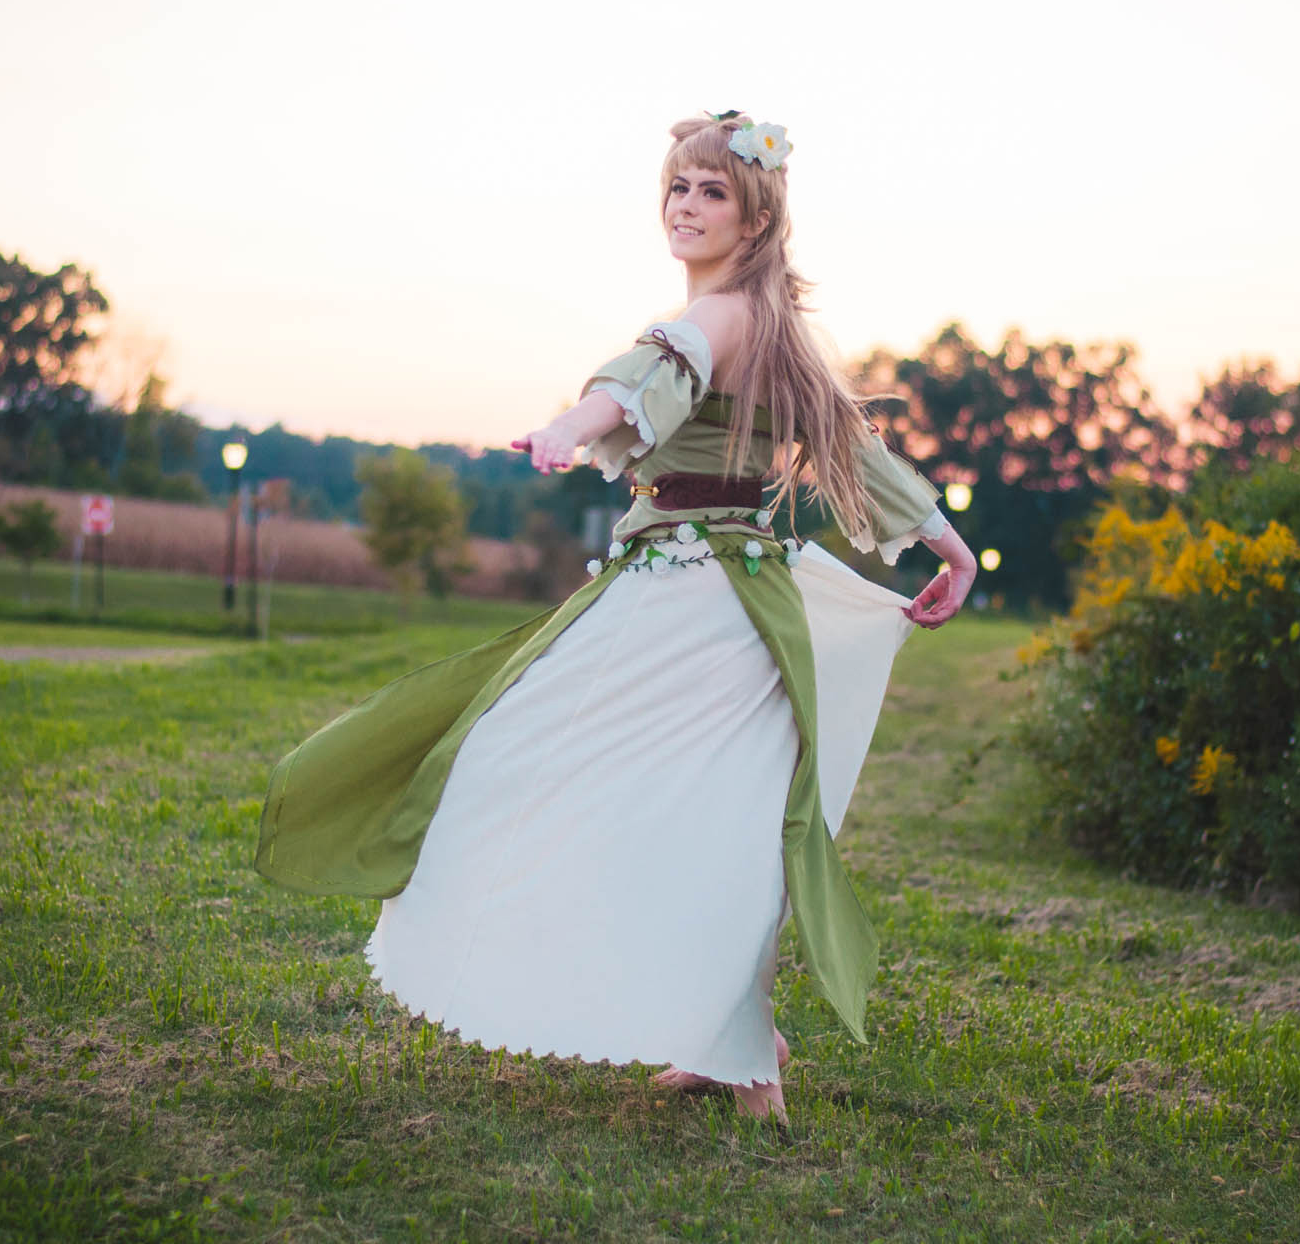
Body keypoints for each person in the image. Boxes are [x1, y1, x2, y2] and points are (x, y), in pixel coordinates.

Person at [254, 112, 977, 1124]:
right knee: (711, 819)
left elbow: (654, 373)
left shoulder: (722, 316)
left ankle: (742, 1053)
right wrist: (951, 545)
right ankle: (736, 1041)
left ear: (755, 217)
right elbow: (853, 447)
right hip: (741, 600)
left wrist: (570, 422)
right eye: (678, 187)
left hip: (691, 596)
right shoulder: (778, 329)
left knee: (525, 760)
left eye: (712, 191)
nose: (687, 206)